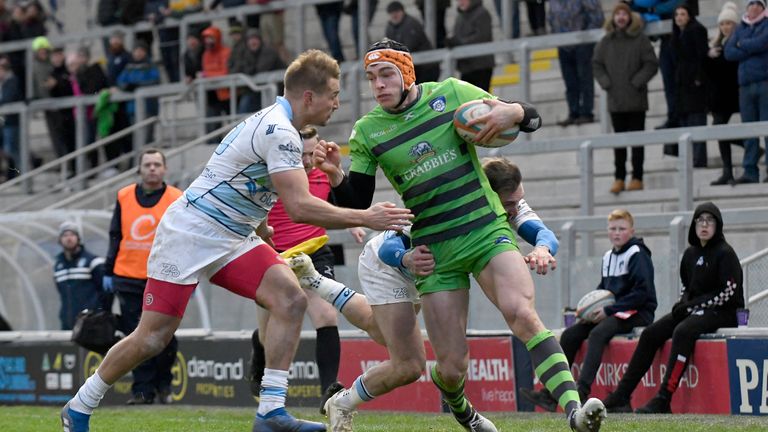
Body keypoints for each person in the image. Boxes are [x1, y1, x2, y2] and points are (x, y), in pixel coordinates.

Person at [61, 49, 412, 432]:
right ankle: (80, 406)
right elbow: (298, 207)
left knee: (291, 299)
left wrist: (259, 228)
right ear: (309, 97)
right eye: (333, 94)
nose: (337, 102)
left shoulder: (281, 127)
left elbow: (245, 179)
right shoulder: (280, 131)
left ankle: (271, 412)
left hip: (231, 234)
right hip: (190, 233)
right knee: (152, 338)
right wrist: (366, 216)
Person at [312, 38, 605, 432]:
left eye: (386, 74)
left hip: (485, 230)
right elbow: (359, 199)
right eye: (371, 78)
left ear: (406, 73)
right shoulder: (368, 131)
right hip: (435, 250)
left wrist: (512, 112)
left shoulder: (452, 93)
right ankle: (461, 408)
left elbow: (530, 118)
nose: (378, 84)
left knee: (523, 316)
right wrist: (334, 175)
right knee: (451, 367)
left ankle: (575, 412)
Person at [246, 126, 367, 406]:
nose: (307, 160)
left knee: (326, 315)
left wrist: (355, 225)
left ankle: (329, 392)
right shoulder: (273, 176)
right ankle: (258, 345)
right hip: (274, 255)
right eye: (300, 154)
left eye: (312, 153)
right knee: (268, 333)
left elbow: (341, 205)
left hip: (314, 253)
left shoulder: (323, 174)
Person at [603, 201, 743, 414]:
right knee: (651, 333)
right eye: (700, 221)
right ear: (694, 225)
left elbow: (727, 292)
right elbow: (688, 287)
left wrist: (693, 305)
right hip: (695, 310)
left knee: (683, 331)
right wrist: (683, 303)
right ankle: (622, 395)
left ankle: (663, 398)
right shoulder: (690, 254)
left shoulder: (725, 253)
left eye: (710, 221)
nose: (704, 225)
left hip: (723, 312)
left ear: (718, 225)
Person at [520, 209, 657, 411]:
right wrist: (587, 311)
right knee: (571, 334)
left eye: (622, 229)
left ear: (632, 231)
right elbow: (603, 290)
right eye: (613, 229)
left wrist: (609, 311)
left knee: (598, 333)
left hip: (638, 312)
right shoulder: (609, 256)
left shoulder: (638, 253)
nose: (617, 233)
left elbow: (642, 294)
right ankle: (550, 395)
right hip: (614, 311)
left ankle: (581, 392)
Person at [102, 149, 182, 405]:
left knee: (165, 335)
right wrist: (108, 269)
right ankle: (142, 390)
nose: (152, 169)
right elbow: (116, 234)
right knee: (134, 335)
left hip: (163, 276)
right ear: (139, 168)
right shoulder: (124, 196)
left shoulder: (176, 197)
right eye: (147, 164)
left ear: (165, 169)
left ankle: (164, 385)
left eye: (157, 164)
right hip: (128, 276)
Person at [592, 2, 658, 194]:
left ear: (630, 17)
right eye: (617, 14)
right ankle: (619, 178)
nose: (621, 17)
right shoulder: (605, 42)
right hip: (616, 101)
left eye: (624, 14)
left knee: (637, 142)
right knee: (619, 144)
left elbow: (651, 64)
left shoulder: (641, 39)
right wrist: (606, 83)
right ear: (613, 18)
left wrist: (637, 82)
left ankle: (637, 177)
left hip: (637, 100)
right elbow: (596, 64)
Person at [724, 0, 768, 184]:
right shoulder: (741, 27)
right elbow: (729, 52)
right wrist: (750, 46)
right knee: (748, 130)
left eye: (758, 4)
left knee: (766, 129)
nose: (754, 8)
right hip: (745, 85)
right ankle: (750, 171)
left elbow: (763, 43)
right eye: (751, 4)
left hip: (764, 83)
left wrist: (743, 45)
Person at [549, 0, 604, 126]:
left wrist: (586, 37)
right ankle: (573, 112)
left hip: (583, 43)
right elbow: (551, 18)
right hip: (563, 45)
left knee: (585, 77)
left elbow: (597, 17)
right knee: (569, 80)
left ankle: (586, 112)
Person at [706, 2, 743, 186]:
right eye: (722, 24)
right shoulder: (715, 46)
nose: (725, 27)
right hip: (720, 97)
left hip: (736, 93)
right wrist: (709, 57)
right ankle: (727, 170)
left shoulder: (738, 43)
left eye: (729, 23)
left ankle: (752, 151)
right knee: (719, 129)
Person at [671, 3, 709, 168]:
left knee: (697, 121)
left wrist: (699, 78)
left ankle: (698, 158)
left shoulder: (697, 30)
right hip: (682, 83)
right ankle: (689, 157)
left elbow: (702, 56)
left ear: (689, 16)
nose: (679, 17)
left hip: (695, 83)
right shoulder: (677, 33)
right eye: (677, 14)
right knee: (685, 121)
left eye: (683, 14)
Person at [54, 221, 110, 331]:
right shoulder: (58, 266)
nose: (69, 238)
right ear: (60, 240)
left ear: (78, 238)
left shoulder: (93, 262)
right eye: (65, 235)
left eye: (72, 235)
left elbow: (106, 293)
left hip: (91, 324)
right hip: (68, 324)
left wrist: (99, 313)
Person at [385, 1, 440, 83]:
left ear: (402, 12)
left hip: (426, 68)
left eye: (396, 12)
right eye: (392, 13)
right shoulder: (390, 28)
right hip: (413, 69)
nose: (394, 15)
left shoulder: (411, 24)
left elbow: (409, 47)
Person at [445, 0, 494, 92]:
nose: (460, 2)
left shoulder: (482, 13)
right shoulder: (460, 16)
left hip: (481, 66)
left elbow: (481, 37)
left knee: (481, 99)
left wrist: (459, 42)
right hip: (466, 67)